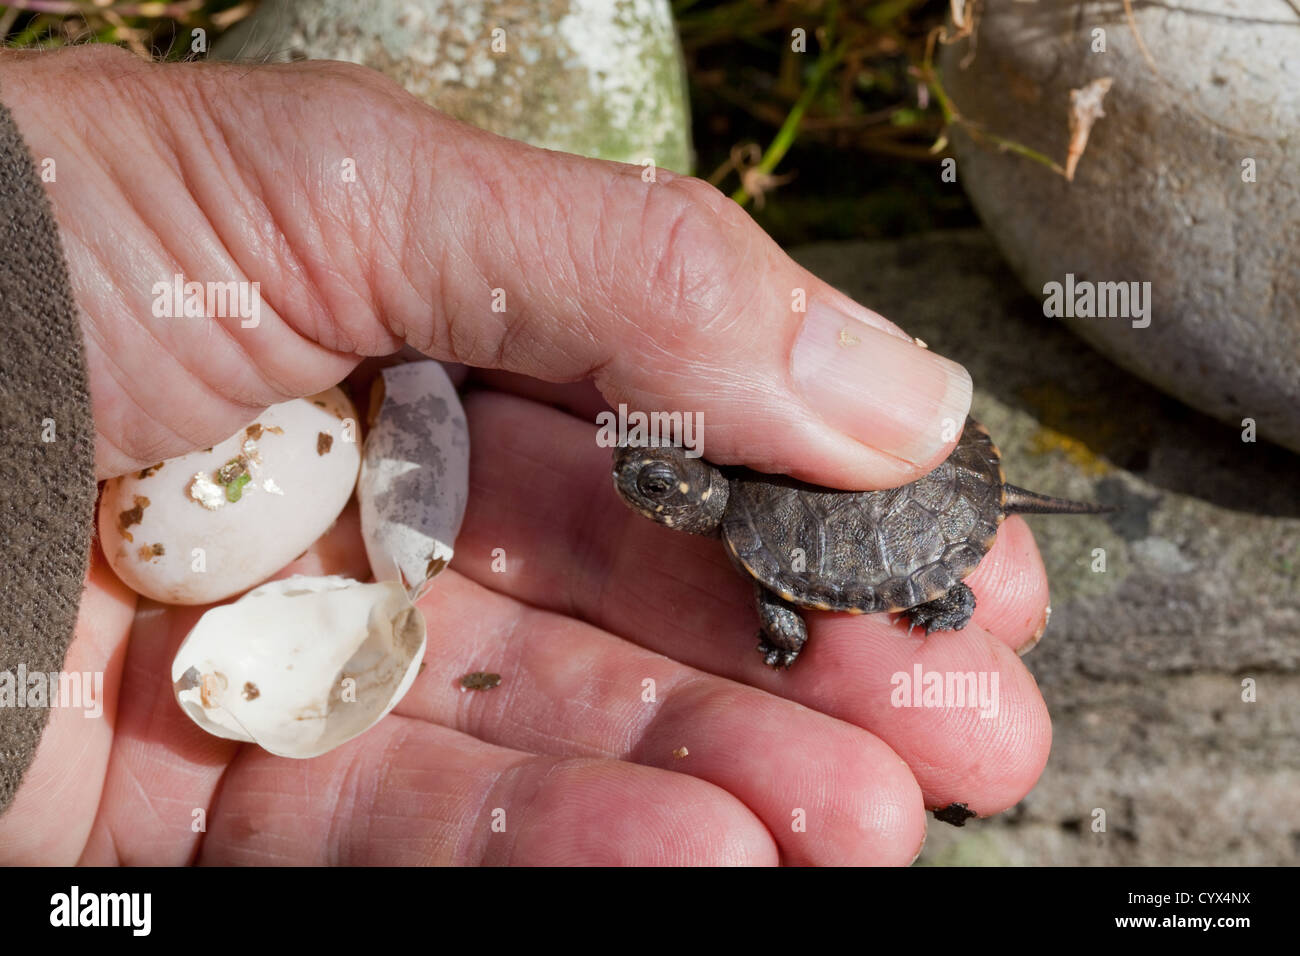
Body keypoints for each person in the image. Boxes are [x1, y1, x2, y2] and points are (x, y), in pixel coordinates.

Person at [0, 45, 1052, 865]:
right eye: (653, 482)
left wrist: (792, 621)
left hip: (918, 507)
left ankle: (943, 596)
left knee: (927, 613)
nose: (645, 487)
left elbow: (786, 592)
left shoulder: (742, 518)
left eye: (655, 483)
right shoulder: (727, 503)